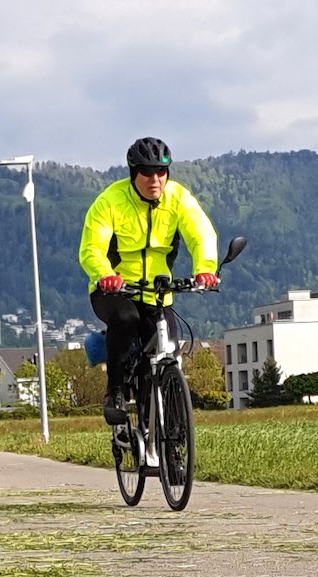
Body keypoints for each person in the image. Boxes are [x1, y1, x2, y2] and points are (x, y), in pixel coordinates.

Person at [78, 137, 220, 426]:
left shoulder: (179, 198)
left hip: (158, 292)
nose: (155, 179)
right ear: (133, 173)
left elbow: (201, 234)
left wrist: (205, 269)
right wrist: (105, 275)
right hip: (114, 290)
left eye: (161, 171)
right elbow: (91, 248)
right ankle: (115, 392)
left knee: (167, 351)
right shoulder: (110, 201)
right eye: (146, 172)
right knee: (126, 320)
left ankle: (167, 435)